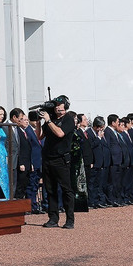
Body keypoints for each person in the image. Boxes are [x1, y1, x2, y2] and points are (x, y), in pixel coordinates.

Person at [40, 97, 76, 228]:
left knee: (66, 189)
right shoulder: (51, 119)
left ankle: (70, 220)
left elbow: (60, 133)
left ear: (65, 106)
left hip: (61, 159)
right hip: (48, 158)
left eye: (60, 105)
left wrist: (48, 120)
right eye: (55, 105)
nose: (57, 107)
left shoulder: (68, 119)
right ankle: (53, 218)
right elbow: (40, 136)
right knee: (50, 190)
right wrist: (40, 121)